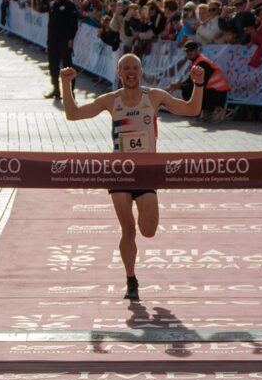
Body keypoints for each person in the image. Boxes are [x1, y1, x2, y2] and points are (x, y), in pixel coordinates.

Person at [59, 55, 205, 301]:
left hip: (147, 172)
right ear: (119, 73)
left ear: (141, 71)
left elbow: (192, 109)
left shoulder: (154, 96)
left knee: (148, 230)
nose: (130, 72)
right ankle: (131, 279)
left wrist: (199, 84)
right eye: (125, 68)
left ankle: (132, 271)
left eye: (134, 68)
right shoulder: (111, 100)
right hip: (119, 172)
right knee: (127, 229)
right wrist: (65, 84)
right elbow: (73, 114)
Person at [167, 40, 230, 122]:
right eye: (187, 51)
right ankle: (207, 113)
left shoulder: (202, 63)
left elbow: (200, 84)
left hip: (218, 94)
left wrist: (180, 86)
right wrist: (178, 85)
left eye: (191, 50)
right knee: (188, 89)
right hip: (214, 91)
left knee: (188, 91)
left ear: (197, 50)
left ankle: (215, 110)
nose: (189, 53)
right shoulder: (197, 62)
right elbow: (191, 80)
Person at [44, 0, 79, 100]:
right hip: (53, 41)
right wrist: (48, 41)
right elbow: (50, 25)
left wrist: (71, 39)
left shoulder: (70, 6)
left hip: (65, 41)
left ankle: (70, 91)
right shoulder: (52, 5)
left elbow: (74, 24)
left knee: (67, 66)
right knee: (53, 66)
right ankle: (56, 90)